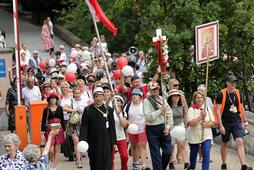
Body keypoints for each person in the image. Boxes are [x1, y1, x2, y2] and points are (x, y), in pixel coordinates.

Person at [215, 75, 252, 170]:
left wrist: (245, 121)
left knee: (240, 141)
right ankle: (224, 164)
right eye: (232, 82)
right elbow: (218, 111)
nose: (234, 83)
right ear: (227, 82)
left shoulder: (238, 92)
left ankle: (243, 165)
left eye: (235, 82)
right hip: (225, 122)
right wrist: (221, 125)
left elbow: (241, 107)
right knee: (225, 143)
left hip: (236, 121)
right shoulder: (221, 94)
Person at [79, 87, 116, 170]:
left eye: (100, 96)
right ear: (93, 97)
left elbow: (112, 127)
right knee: (94, 162)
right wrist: (83, 140)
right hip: (92, 141)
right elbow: (84, 126)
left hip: (106, 141)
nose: (99, 98)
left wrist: (114, 142)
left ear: (103, 97)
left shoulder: (108, 109)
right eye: (96, 96)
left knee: (107, 162)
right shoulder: (88, 109)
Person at [143, 81, 174, 170]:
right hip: (152, 129)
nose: (156, 90)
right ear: (149, 90)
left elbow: (169, 114)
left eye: (157, 88)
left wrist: (168, 127)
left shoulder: (163, 99)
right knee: (155, 155)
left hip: (164, 127)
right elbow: (148, 117)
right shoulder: (146, 101)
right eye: (153, 89)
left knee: (168, 152)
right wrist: (160, 111)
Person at [186, 91, 215, 170]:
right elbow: (191, 123)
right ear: (194, 99)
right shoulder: (191, 109)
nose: (200, 99)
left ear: (204, 99)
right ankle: (192, 167)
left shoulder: (208, 109)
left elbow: (213, 122)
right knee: (194, 153)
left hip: (206, 135)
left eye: (201, 98)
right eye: (198, 98)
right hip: (193, 135)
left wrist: (206, 125)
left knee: (206, 153)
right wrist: (201, 117)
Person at [124, 88, 150, 170]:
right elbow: (125, 116)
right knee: (134, 146)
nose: (134, 96)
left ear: (140, 96)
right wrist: (127, 123)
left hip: (142, 129)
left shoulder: (144, 105)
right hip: (131, 130)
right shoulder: (128, 105)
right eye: (133, 95)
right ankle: (135, 163)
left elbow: (148, 116)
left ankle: (144, 165)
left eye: (136, 95)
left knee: (142, 146)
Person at [41, 92, 65, 169]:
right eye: (51, 98)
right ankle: (51, 161)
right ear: (49, 100)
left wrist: (64, 131)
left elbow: (62, 120)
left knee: (57, 149)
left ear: (56, 99)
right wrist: (42, 132)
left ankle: (54, 167)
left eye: (54, 98)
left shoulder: (60, 108)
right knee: (51, 150)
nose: (53, 100)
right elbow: (44, 121)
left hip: (58, 130)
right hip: (50, 130)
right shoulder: (46, 109)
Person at [167, 89, 189, 170]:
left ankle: (186, 163)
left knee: (182, 145)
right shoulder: (167, 106)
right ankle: (171, 163)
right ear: (171, 97)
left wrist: (186, 126)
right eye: (174, 96)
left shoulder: (182, 105)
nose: (176, 97)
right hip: (171, 126)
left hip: (180, 126)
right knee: (171, 146)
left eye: (177, 96)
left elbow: (185, 115)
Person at [112, 95, 129, 170]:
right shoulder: (110, 112)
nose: (116, 102)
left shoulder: (124, 113)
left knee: (124, 156)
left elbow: (124, 125)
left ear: (122, 103)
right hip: (111, 138)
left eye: (118, 101)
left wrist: (119, 115)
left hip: (121, 137)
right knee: (110, 158)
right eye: (115, 101)